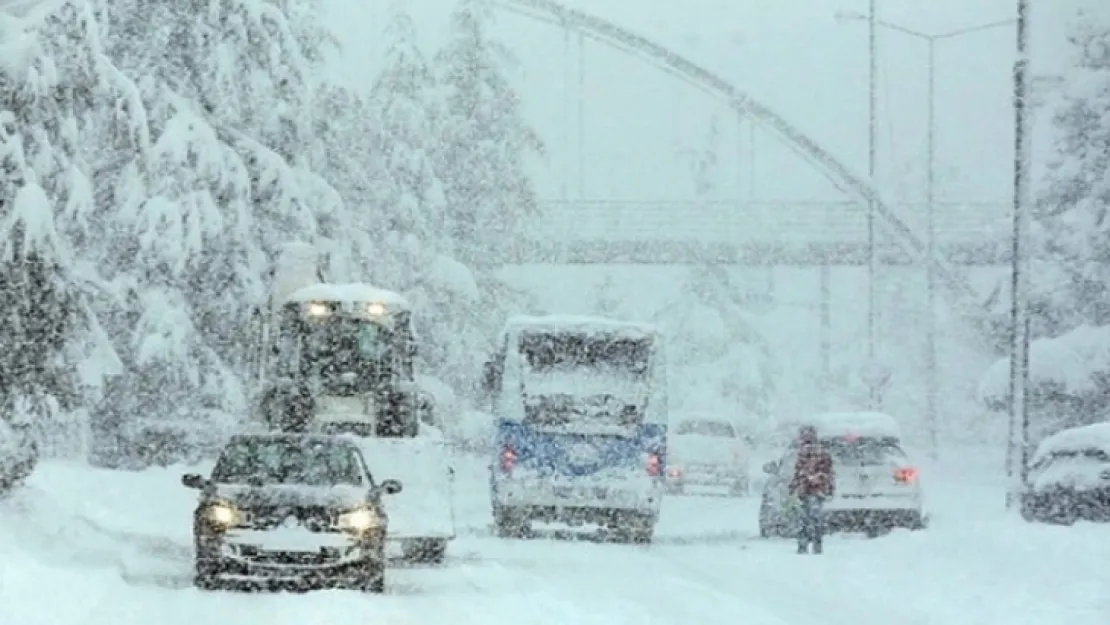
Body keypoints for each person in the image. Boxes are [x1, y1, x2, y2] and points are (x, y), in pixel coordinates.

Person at [788, 425, 835, 554]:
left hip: (810, 490)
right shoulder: (818, 453)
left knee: (806, 519)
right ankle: (813, 544)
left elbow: (800, 473)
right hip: (812, 491)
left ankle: (806, 544)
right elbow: (828, 473)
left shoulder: (810, 453)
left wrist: (798, 484)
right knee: (812, 518)